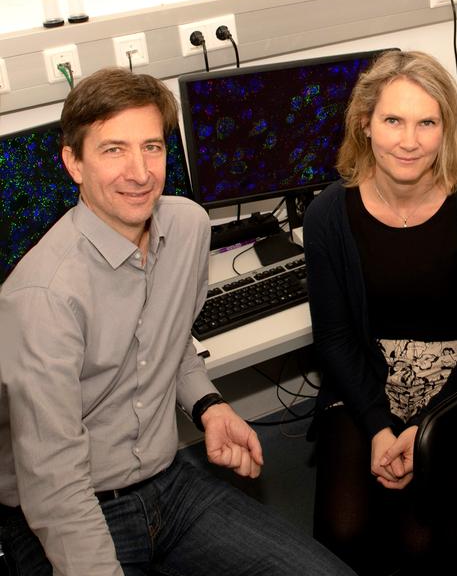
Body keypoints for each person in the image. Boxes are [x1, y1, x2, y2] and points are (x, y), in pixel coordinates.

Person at [0, 67, 353, 576]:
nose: (140, 172)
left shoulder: (186, 227)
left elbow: (170, 341)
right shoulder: (43, 297)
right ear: (73, 164)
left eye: (152, 147)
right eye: (114, 149)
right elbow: (53, 483)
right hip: (71, 507)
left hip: (167, 480)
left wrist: (209, 406)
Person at [303, 49, 457, 575]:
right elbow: (334, 339)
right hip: (364, 384)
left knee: (421, 545)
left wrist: (420, 432)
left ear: (446, 130)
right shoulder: (328, 214)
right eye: (393, 120)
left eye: (427, 122)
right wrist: (378, 428)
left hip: (455, 393)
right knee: (341, 531)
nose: (409, 140)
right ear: (365, 124)